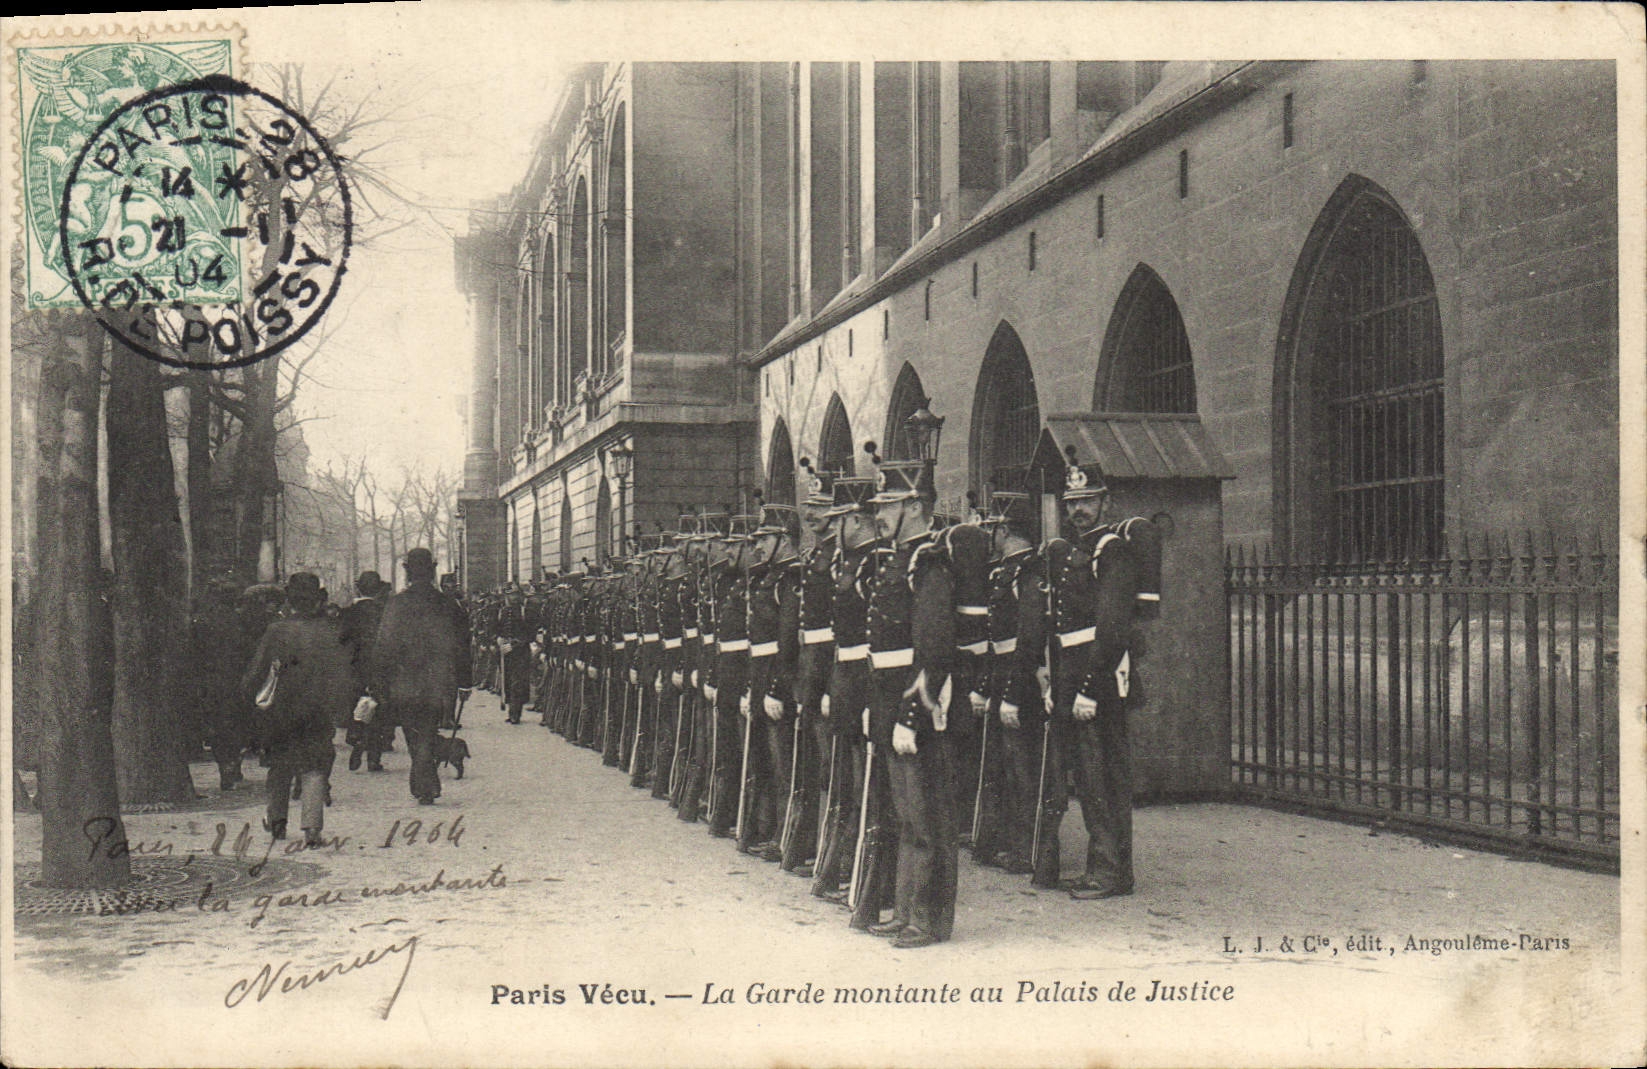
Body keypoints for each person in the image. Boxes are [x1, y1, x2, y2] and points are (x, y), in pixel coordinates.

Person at [1045, 447, 1158, 899]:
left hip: (1100, 675)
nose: (1078, 510)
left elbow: (1112, 627)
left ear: (1105, 503)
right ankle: (1104, 866)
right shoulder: (1080, 550)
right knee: (1089, 776)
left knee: (1104, 777)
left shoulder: (1111, 552)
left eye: (1086, 500)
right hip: (1076, 673)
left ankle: (1111, 872)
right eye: (1071, 502)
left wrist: (1091, 687)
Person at [864, 456, 959, 950]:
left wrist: (909, 715)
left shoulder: (929, 562)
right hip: (890, 700)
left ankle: (928, 917)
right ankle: (905, 911)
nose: (878, 513)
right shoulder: (899, 559)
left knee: (926, 817)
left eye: (889, 504)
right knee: (905, 815)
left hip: (914, 706)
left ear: (915, 506)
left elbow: (934, 647)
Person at [240, 573, 358, 847]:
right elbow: (343, 673)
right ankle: (312, 828)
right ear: (318, 598)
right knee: (315, 766)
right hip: (317, 709)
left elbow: (256, 672)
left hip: (281, 710)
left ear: (290, 599)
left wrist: (248, 697)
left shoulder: (277, 630)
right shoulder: (331, 630)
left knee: (280, 765)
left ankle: (277, 822)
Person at [372, 548, 473, 805]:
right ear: (432, 571)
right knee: (427, 729)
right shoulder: (448, 605)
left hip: (404, 682)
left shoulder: (395, 604)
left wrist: (380, 681)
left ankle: (424, 782)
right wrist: (464, 681)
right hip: (438, 682)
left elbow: (384, 646)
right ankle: (426, 781)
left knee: (413, 731)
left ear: (407, 571)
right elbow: (462, 645)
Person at [340, 571, 391, 772]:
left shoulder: (350, 612)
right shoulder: (384, 611)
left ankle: (357, 740)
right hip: (380, 666)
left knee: (357, 706)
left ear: (359, 587)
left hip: (356, 667)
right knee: (377, 710)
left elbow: (342, 638)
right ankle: (373, 757)